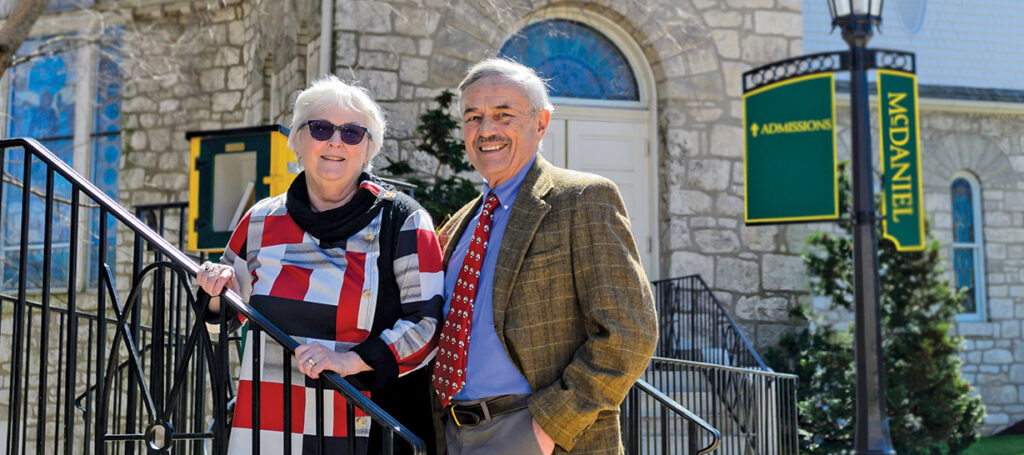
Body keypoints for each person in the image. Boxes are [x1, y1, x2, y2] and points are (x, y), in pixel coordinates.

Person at [197, 75, 443, 455]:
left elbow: (426, 325)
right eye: (321, 128)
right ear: (296, 140)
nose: (335, 141)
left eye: (352, 133)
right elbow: (223, 317)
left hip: (366, 426)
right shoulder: (261, 220)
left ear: (369, 149)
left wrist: (351, 360)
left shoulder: (403, 220)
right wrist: (216, 291)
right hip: (268, 427)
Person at [431, 58, 658, 454]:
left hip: (538, 433)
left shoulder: (583, 199)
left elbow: (629, 333)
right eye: (474, 117)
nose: (487, 130)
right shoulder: (458, 227)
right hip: (453, 433)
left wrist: (548, 426)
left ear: (540, 123)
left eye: (504, 115)